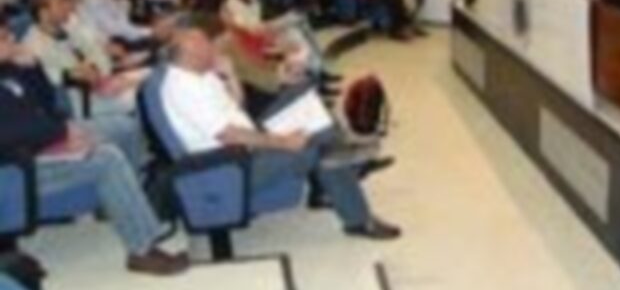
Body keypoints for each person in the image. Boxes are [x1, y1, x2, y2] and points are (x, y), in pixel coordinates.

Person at [161, 28, 401, 240]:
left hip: (249, 136)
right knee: (318, 144)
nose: (214, 49)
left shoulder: (199, 73)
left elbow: (236, 107)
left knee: (304, 91)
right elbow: (228, 135)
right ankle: (357, 214)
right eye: (206, 47)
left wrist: (231, 75)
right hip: (234, 163)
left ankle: (341, 168)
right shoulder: (184, 89)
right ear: (189, 56)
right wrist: (282, 142)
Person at [0, 21, 187, 276]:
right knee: (106, 159)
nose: (12, 38)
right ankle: (141, 249)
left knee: (121, 127)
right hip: (16, 168)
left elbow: (43, 104)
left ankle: (128, 202)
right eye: (3, 36)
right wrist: (62, 132)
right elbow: (9, 133)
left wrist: (33, 69)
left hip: (42, 145)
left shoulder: (9, 70)